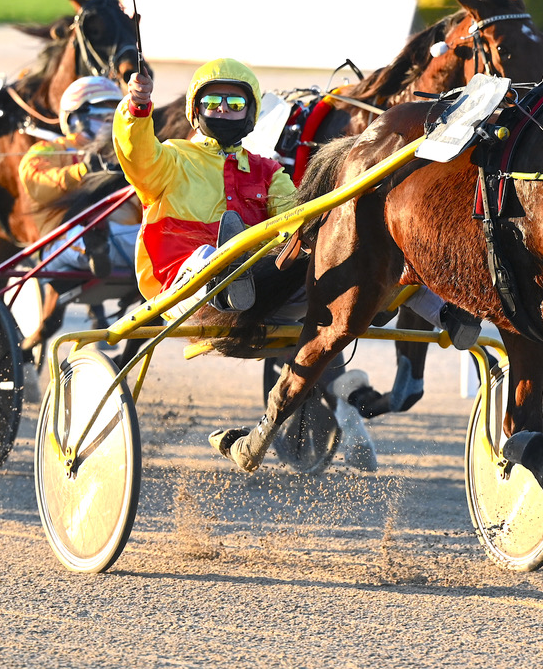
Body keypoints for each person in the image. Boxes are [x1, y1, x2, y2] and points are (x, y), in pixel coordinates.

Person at [113, 58, 382, 468]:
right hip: (184, 286)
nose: (223, 110)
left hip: (260, 291)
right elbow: (136, 153)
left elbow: (298, 223)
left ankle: (383, 294)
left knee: (314, 254)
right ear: (196, 111)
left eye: (233, 104)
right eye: (214, 102)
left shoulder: (267, 171)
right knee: (214, 255)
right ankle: (228, 272)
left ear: (250, 114)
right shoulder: (170, 159)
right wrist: (136, 108)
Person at [18, 75, 140, 349]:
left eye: (114, 113)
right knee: (83, 233)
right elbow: (38, 185)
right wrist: (83, 170)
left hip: (125, 241)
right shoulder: (47, 150)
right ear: (74, 117)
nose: (109, 121)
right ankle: (93, 243)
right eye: (102, 113)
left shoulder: (126, 153)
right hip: (62, 244)